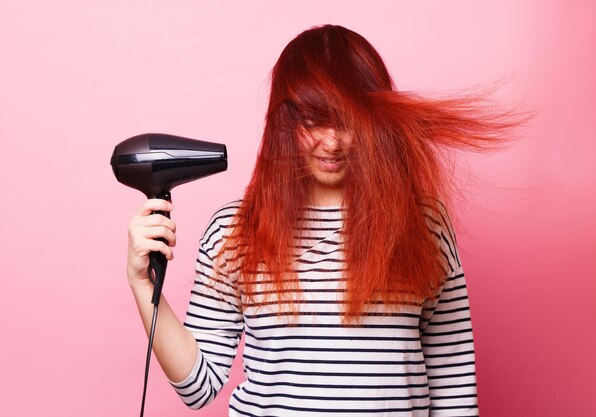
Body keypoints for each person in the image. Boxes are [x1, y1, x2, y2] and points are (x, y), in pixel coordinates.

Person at [127, 24, 524, 416]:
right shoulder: (235, 231)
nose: (332, 141)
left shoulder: (423, 223)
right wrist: (142, 283)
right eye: (313, 120)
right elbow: (198, 387)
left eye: (348, 120)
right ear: (284, 121)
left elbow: (453, 383)